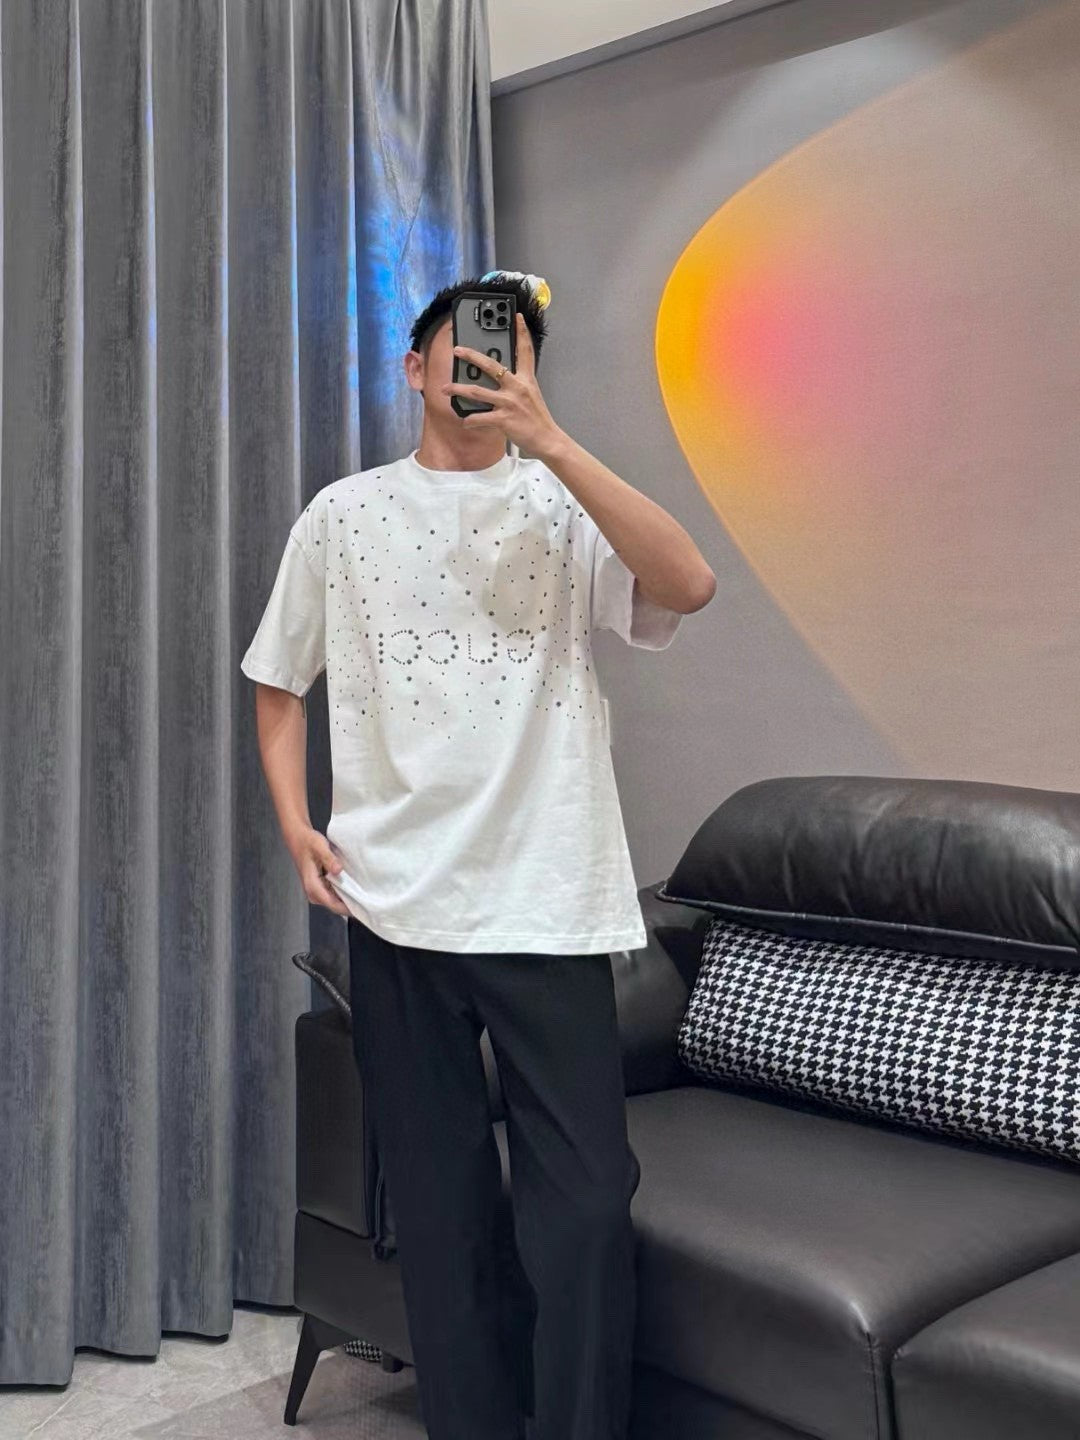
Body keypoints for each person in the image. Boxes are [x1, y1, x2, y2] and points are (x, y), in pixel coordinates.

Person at [240, 270, 716, 1440]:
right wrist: (295, 824)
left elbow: (690, 584)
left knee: (587, 1210)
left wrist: (552, 442)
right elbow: (276, 681)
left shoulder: (562, 504)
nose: (486, 367)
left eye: (511, 353)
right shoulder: (344, 515)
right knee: (443, 1218)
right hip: (395, 911)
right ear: (415, 368)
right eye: (464, 349)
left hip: (546, 906)